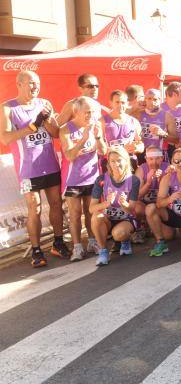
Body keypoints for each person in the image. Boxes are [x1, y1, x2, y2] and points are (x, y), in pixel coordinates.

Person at [0, 71, 66, 266]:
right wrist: (32, 127)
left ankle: (58, 242)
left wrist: (45, 120)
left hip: (50, 164)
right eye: (31, 83)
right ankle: (36, 251)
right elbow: (5, 138)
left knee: (56, 204)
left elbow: (55, 133)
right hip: (28, 169)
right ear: (19, 84)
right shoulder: (8, 108)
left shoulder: (44, 103)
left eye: (37, 83)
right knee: (34, 208)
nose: (35, 87)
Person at [60, 96, 107, 261]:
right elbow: (70, 156)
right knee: (75, 213)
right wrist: (84, 139)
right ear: (76, 112)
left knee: (90, 211)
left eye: (93, 112)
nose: (90, 115)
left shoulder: (96, 126)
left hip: (92, 178)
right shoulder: (66, 129)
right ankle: (77, 247)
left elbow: (103, 151)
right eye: (87, 112)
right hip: (72, 179)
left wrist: (99, 137)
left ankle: (92, 241)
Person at [88, 147, 140, 265]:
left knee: (118, 235)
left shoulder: (134, 180)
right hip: (108, 219)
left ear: (126, 160)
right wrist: (107, 203)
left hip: (126, 219)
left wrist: (124, 204)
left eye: (119, 160)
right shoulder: (101, 180)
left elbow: (131, 209)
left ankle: (125, 240)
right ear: (109, 163)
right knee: (96, 216)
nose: (116, 164)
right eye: (112, 161)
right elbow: (91, 208)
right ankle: (103, 251)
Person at [134, 145, 167, 242]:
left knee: (168, 236)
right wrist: (148, 183)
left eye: (157, 158)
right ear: (146, 159)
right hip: (144, 204)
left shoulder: (168, 168)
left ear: (162, 158)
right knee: (136, 206)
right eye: (151, 159)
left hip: (161, 205)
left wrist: (161, 180)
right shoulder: (141, 169)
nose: (154, 162)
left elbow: (169, 194)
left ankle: (156, 224)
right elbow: (136, 196)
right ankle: (141, 227)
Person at [103, 90, 143, 164]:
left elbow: (141, 144)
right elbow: (99, 148)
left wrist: (137, 148)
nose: (120, 105)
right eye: (117, 102)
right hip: (110, 163)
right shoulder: (102, 121)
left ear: (127, 104)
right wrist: (121, 149)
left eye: (123, 103)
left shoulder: (134, 121)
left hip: (130, 162)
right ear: (111, 103)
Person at [138, 89, 176, 160]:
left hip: (159, 154)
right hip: (142, 153)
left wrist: (163, 134)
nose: (152, 102)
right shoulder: (139, 114)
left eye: (155, 99)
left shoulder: (167, 116)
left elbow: (176, 140)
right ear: (145, 100)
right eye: (149, 98)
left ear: (160, 100)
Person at [161, 82, 181, 158]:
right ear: (175, 94)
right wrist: (175, 142)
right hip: (168, 146)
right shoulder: (160, 109)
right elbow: (160, 132)